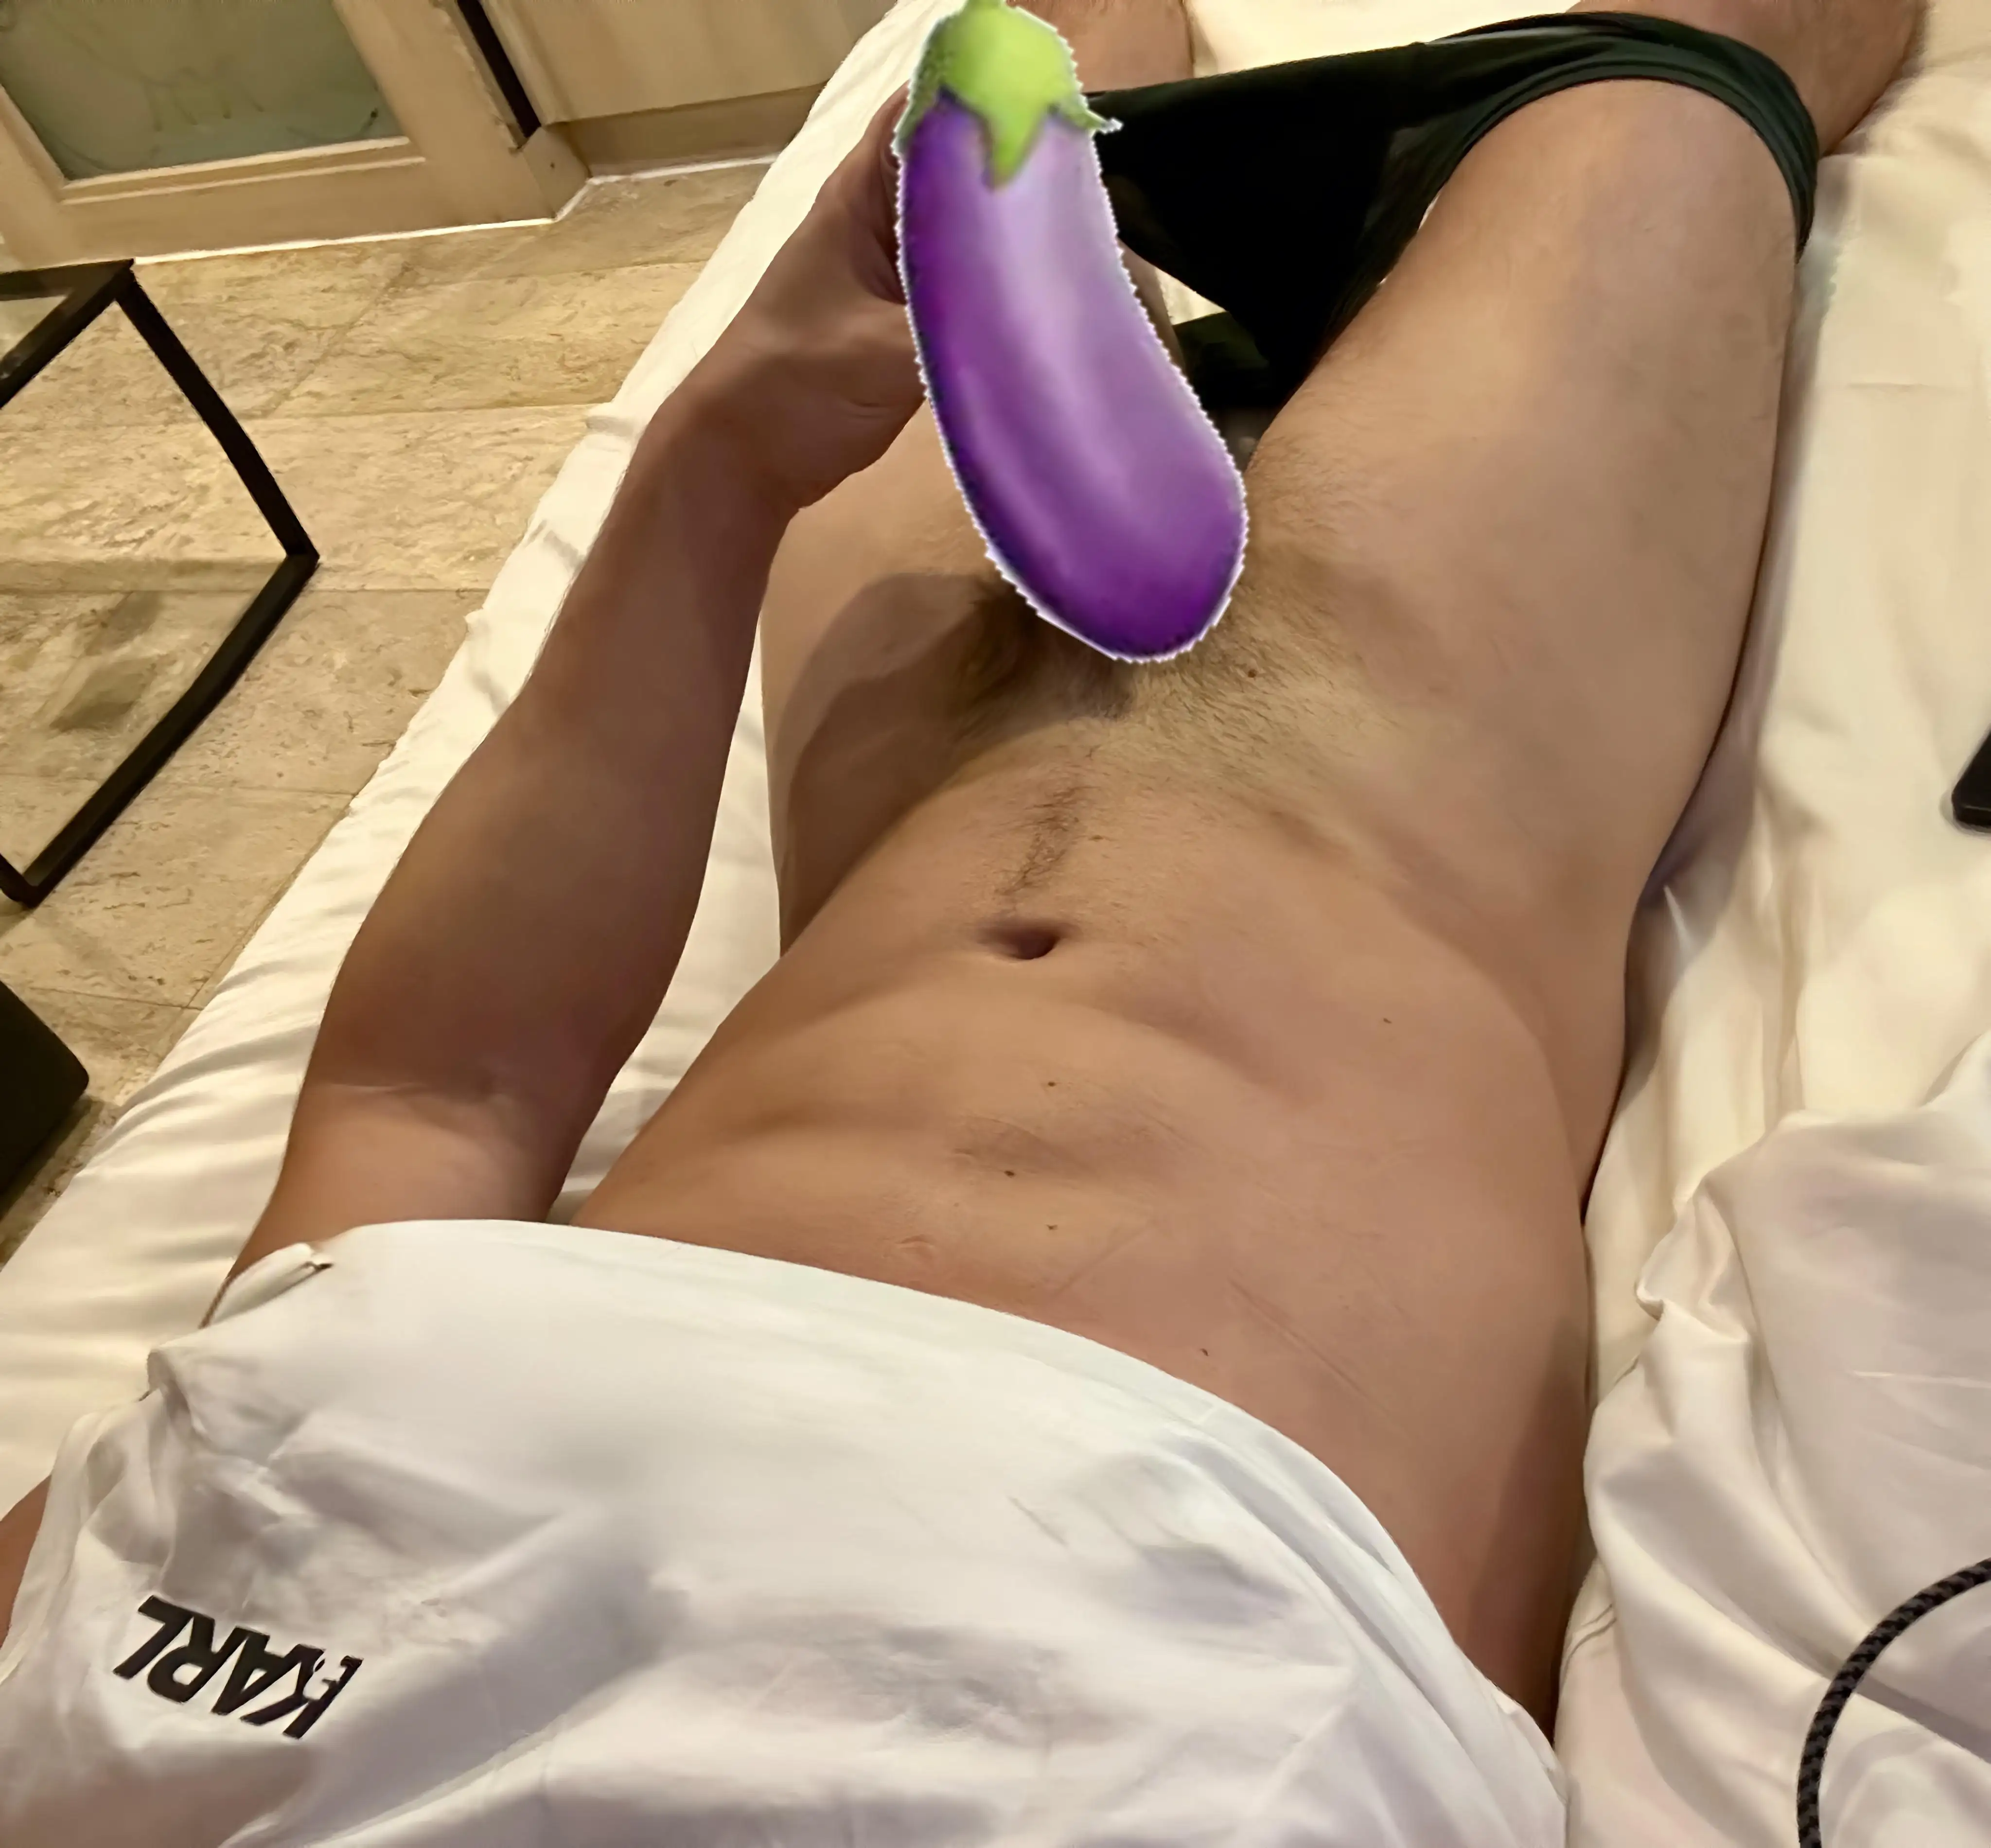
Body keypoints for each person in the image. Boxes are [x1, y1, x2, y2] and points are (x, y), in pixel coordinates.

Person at [0, 0, 1912, 1838]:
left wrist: (727, 447)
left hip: (915, 764)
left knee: (1023, 86)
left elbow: (428, 1100)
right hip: (1406, 790)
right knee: (1680, 88)